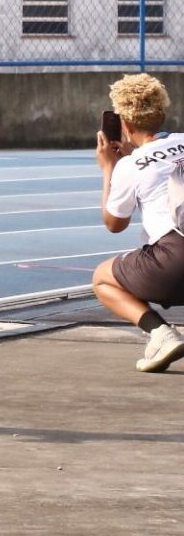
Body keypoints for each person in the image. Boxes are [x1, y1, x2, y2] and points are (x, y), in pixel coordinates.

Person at [91, 73, 184, 372]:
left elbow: (114, 223)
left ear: (125, 125)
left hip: (174, 265)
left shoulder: (130, 165)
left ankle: (161, 334)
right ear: (163, 114)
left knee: (103, 277)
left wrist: (110, 168)